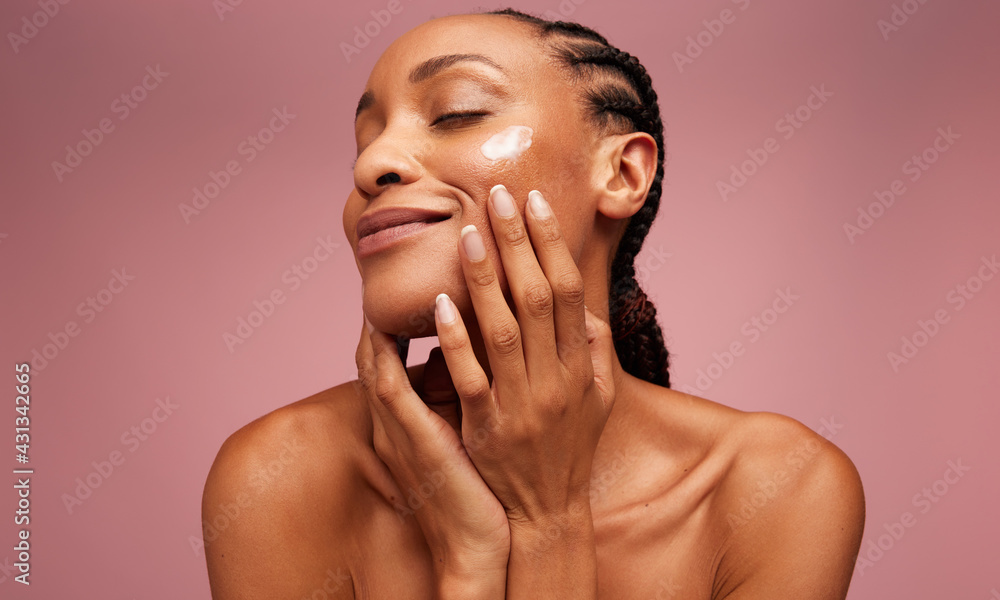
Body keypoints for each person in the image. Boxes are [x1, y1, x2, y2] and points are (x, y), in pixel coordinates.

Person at [202, 8, 865, 599]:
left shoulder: (776, 489)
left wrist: (549, 524)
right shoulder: (281, 478)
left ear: (623, 172)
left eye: (456, 112)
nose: (370, 165)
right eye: (365, 138)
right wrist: (472, 561)